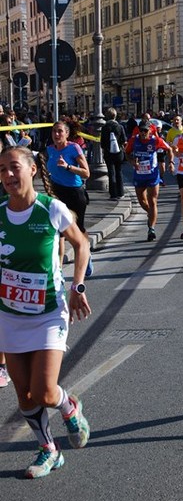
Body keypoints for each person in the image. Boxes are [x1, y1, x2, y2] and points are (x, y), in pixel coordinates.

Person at [0, 146, 91, 478]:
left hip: (49, 313)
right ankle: (48, 449)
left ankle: (69, 407)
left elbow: (82, 244)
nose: (8, 175)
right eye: (2, 170)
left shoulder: (50, 208)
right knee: (23, 396)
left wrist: (77, 286)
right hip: (9, 316)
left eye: (14, 168)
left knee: (43, 392)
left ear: (32, 171)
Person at [44, 121, 93, 276]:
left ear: (66, 133)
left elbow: (86, 173)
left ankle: (86, 255)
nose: (56, 135)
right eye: (54, 132)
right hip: (57, 194)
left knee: (78, 230)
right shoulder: (50, 149)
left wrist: (68, 167)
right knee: (59, 231)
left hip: (74, 193)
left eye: (59, 131)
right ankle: (58, 268)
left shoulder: (73, 148)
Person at [125, 119, 174, 241]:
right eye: (141, 130)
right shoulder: (133, 140)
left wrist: (171, 162)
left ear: (150, 130)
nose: (143, 133)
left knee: (153, 201)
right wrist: (132, 161)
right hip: (139, 175)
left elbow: (169, 149)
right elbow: (127, 153)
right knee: (142, 201)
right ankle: (151, 213)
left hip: (152, 175)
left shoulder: (155, 140)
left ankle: (151, 229)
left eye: (145, 131)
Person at [100, 107, 127, 199]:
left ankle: (113, 194)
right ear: (115, 116)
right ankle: (121, 193)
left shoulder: (104, 127)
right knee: (119, 172)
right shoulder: (120, 127)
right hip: (119, 152)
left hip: (108, 153)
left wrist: (105, 149)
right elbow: (124, 140)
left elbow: (102, 143)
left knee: (111, 173)